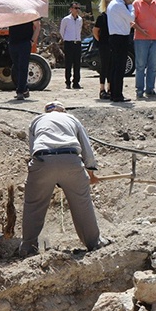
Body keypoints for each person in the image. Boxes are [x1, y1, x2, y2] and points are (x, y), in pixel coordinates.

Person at [18, 101, 106, 257]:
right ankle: (94, 243)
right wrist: (91, 175)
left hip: (42, 160)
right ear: (63, 111)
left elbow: (33, 150)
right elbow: (87, 149)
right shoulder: (72, 119)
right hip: (71, 160)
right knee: (82, 203)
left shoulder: (37, 120)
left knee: (34, 205)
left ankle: (27, 247)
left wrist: (46, 172)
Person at [132, 0, 156, 98]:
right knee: (140, 65)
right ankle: (139, 90)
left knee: (153, 66)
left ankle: (150, 89)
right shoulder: (136, 3)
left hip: (155, 38)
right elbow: (132, 21)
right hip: (141, 39)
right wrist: (141, 30)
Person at [107, 0, 135, 102]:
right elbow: (131, 17)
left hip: (115, 36)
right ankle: (118, 95)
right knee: (120, 67)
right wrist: (130, 5)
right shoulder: (119, 5)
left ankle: (114, 93)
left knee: (115, 66)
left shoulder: (112, 4)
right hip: (120, 37)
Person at [8, 19, 40, 100]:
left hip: (25, 43)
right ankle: (24, 89)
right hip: (13, 42)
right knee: (16, 67)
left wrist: (32, 41)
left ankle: (20, 91)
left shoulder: (29, 12)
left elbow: (37, 26)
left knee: (23, 66)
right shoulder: (12, 12)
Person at [93, 0, 114, 100]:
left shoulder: (114, 17)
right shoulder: (102, 17)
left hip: (113, 44)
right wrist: (101, 41)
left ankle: (110, 88)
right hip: (104, 45)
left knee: (111, 67)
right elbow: (95, 31)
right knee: (104, 67)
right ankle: (102, 89)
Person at [60, 2, 84, 89]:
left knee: (77, 63)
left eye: (78, 8)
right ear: (71, 9)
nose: (77, 10)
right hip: (69, 43)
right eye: (75, 8)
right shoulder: (66, 19)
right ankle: (68, 82)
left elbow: (79, 30)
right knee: (68, 63)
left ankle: (76, 82)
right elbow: (62, 31)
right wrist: (66, 39)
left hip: (77, 42)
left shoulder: (80, 20)